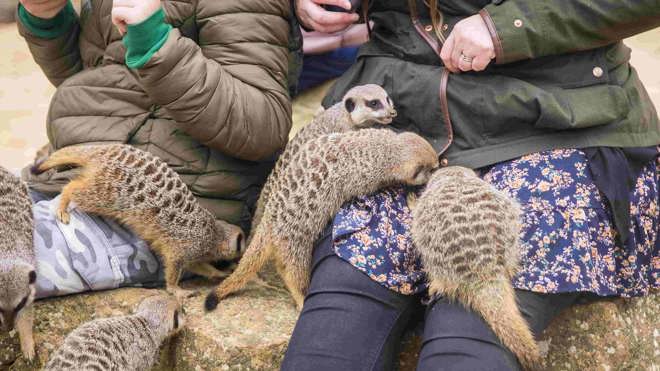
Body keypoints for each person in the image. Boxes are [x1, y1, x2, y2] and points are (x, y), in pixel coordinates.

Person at [283, 0, 660, 370]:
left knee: (469, 332)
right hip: (408, 127)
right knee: (339, 315)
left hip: (556, 129)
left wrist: (507, 26)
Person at [16, 0, 296, 298]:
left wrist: (157, 43)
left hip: (166, 214)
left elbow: (263, 126)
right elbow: (102, 86)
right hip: (75, 181)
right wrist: (46, 17)